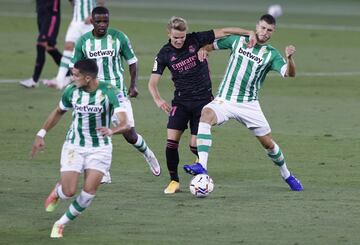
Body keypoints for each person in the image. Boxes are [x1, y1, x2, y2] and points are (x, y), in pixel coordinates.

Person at [183, 14, 303, 191]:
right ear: (256, 26)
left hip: (249, 105)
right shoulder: (238, 41)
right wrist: (204, 49)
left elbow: (289, 74)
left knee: (268, 143)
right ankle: (202, 166)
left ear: (273, 32)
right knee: (206, 114)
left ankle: (287, 175)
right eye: (262, 28)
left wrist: (290, 58)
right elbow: (212, 44)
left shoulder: (271, 54)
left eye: (269, 30)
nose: (265, 32)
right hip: (225, 100)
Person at [148, 16, 257, 194]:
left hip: (203, 101)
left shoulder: (196, 39)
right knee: (171, 143)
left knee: (194, 144)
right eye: (175, 37)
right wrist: (158, 99)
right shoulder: (164, 54)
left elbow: (224, 32)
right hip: (181, 102)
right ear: (169, 33)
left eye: (182, 37)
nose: (179, 40)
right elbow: (152, 83)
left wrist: (248, 32)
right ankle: (174, 181)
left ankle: (201, 165)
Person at [31, 58, 131, 238]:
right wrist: (41, 133)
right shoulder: (71, 91)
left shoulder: (111, 92)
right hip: (74, 145)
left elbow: (126, 123)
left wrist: (112, 130)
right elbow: (58, 111)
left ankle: (61, 223)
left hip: (100, 148)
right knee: (69, 191)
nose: (72, 77)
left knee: (88, 192)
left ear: (87, 78)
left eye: (75, 75)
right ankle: (57, 192)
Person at [71, 6, 160, 183]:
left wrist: (133, 85)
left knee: (129, 132)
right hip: (95, 94)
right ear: (91, 21)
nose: (102, 25)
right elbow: (76, 68)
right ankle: (104, 171)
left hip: (118, 93)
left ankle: (148, 154)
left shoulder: (119, 37)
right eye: (99, 21)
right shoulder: (83, 42)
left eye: (105, 21)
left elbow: (133, 62)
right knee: (96, 131)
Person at [43, 0, 105, 89]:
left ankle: (97, 79)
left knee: (91, 52)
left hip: (89, 23)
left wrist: (93, 15)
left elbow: (101, 2)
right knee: (68, 47)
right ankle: (59, 80)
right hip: (76, 22)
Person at [20, 0, 63, 88]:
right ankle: (69, 73)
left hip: (51, 16)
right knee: (50, 47)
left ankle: (34, 80)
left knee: (41, 44)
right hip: (41, 14)